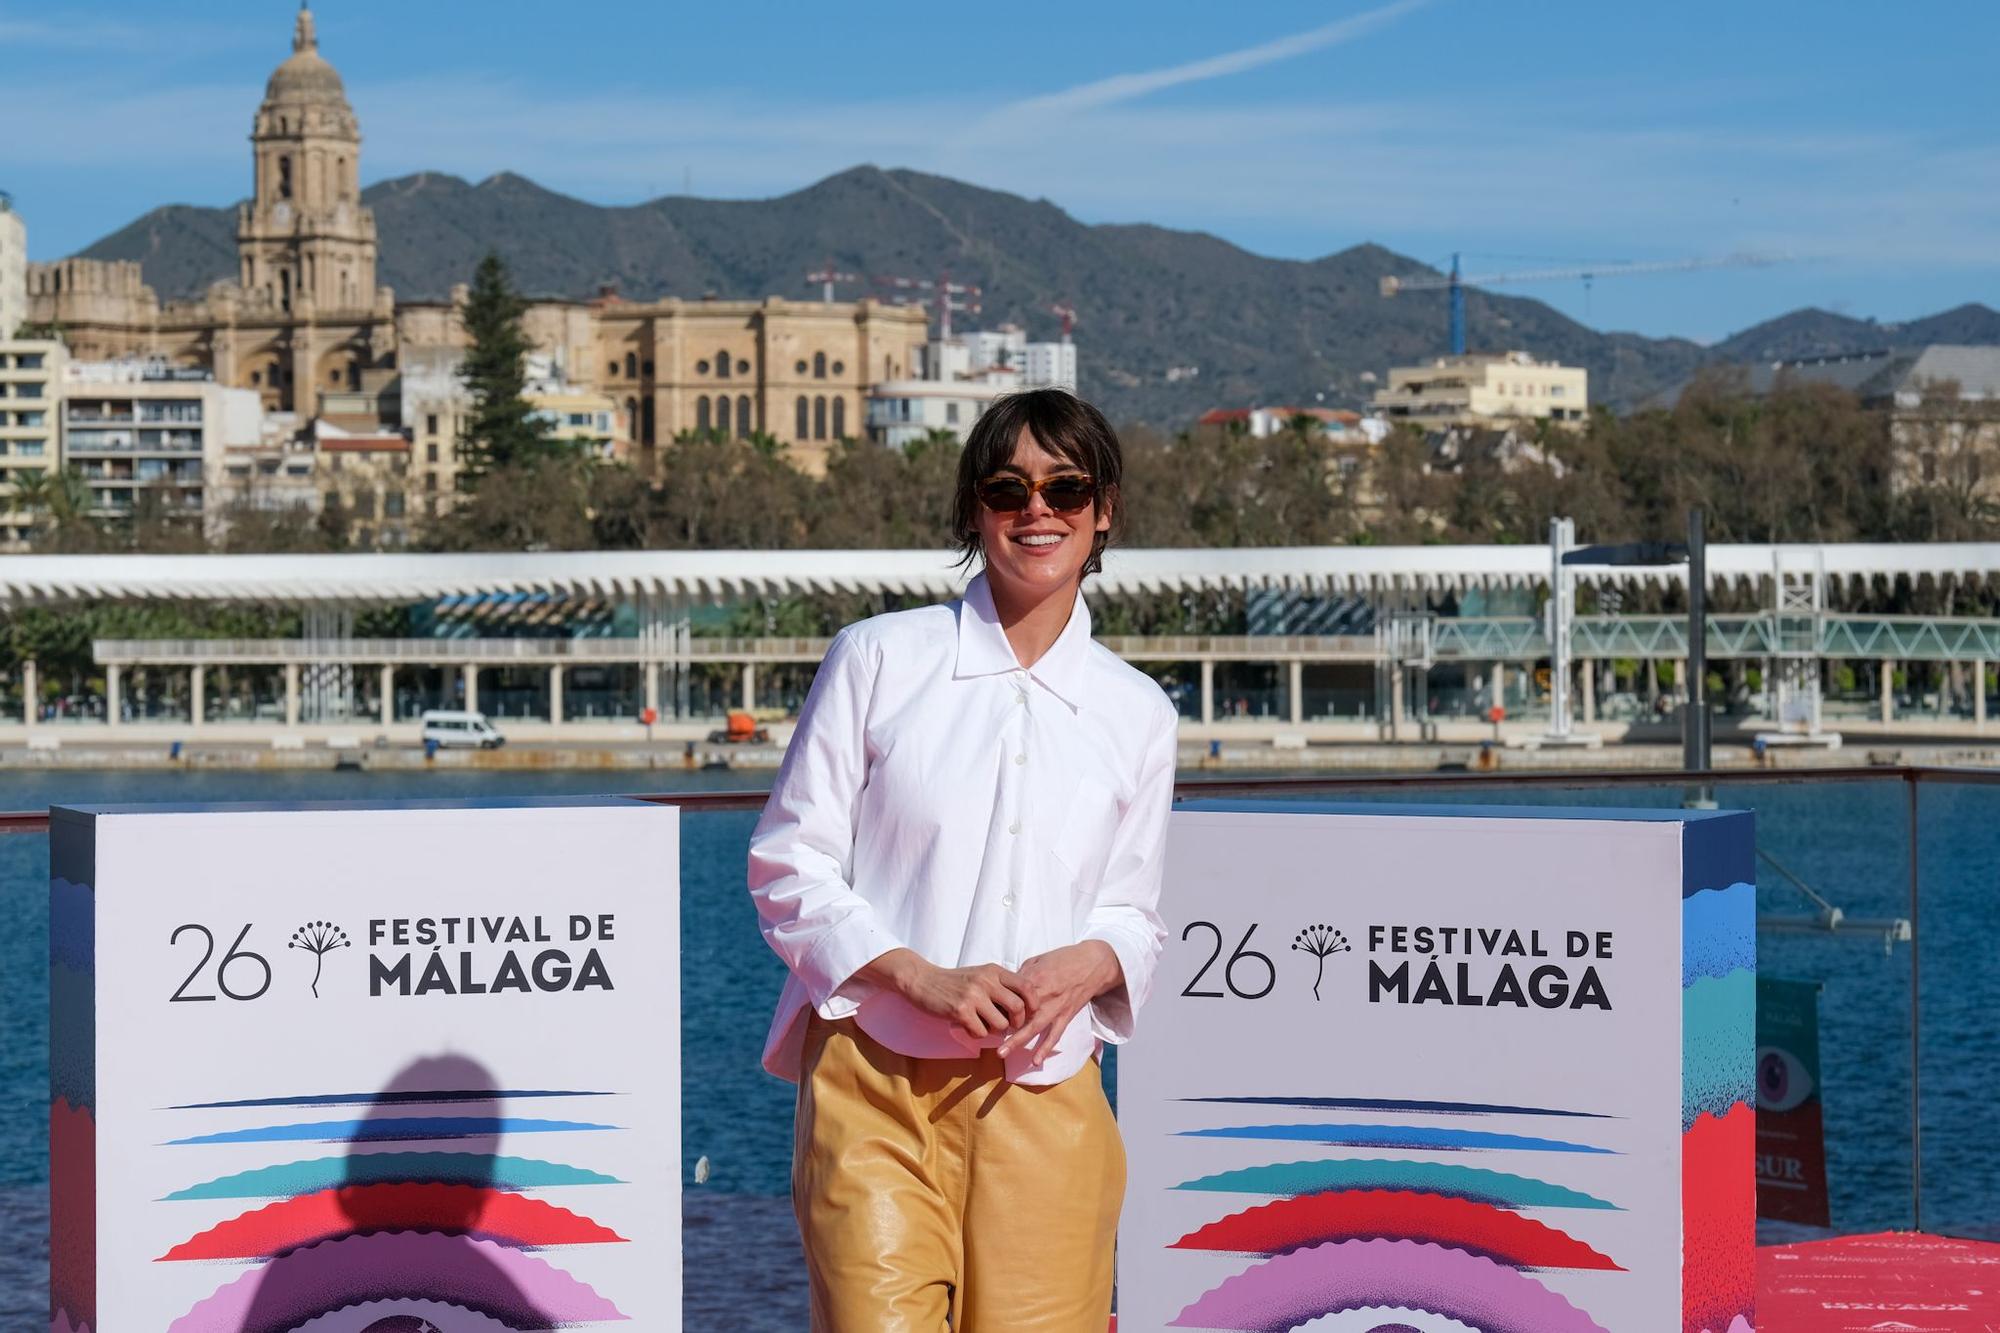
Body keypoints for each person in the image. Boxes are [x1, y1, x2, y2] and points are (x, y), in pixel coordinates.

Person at [748, 388, 1177, 1332]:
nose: (1037, 511)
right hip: (875, 1082)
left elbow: (1132, 914)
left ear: (1104, 509)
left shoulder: (1138, 711)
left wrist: (1091, 963)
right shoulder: (876, 659)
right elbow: (789, 864)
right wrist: (920, 977)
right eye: (1006, 487)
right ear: (974, 508)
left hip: (1048, 1093)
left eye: (1066, 488)